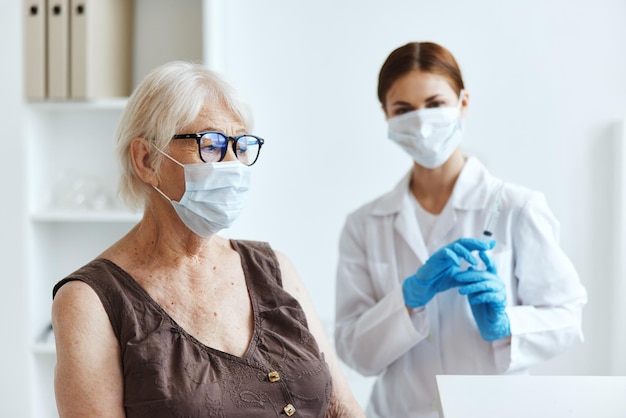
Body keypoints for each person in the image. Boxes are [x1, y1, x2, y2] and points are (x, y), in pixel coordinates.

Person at [51, 61, 365, 418]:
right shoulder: (90, 301)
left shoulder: (274, 268)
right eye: (211, 144)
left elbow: (342, 408)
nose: (232, 163)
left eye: (241, 145)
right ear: (146, 159)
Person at [334, 41, 588, 418]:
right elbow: (354, 351)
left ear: (463, 102)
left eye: (435, 104)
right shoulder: (364, 224)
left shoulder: (517, 208)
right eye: (403, 110)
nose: (421, 123)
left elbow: (568, 317)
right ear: (386, 115)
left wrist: (507, 325)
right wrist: (406, 301)